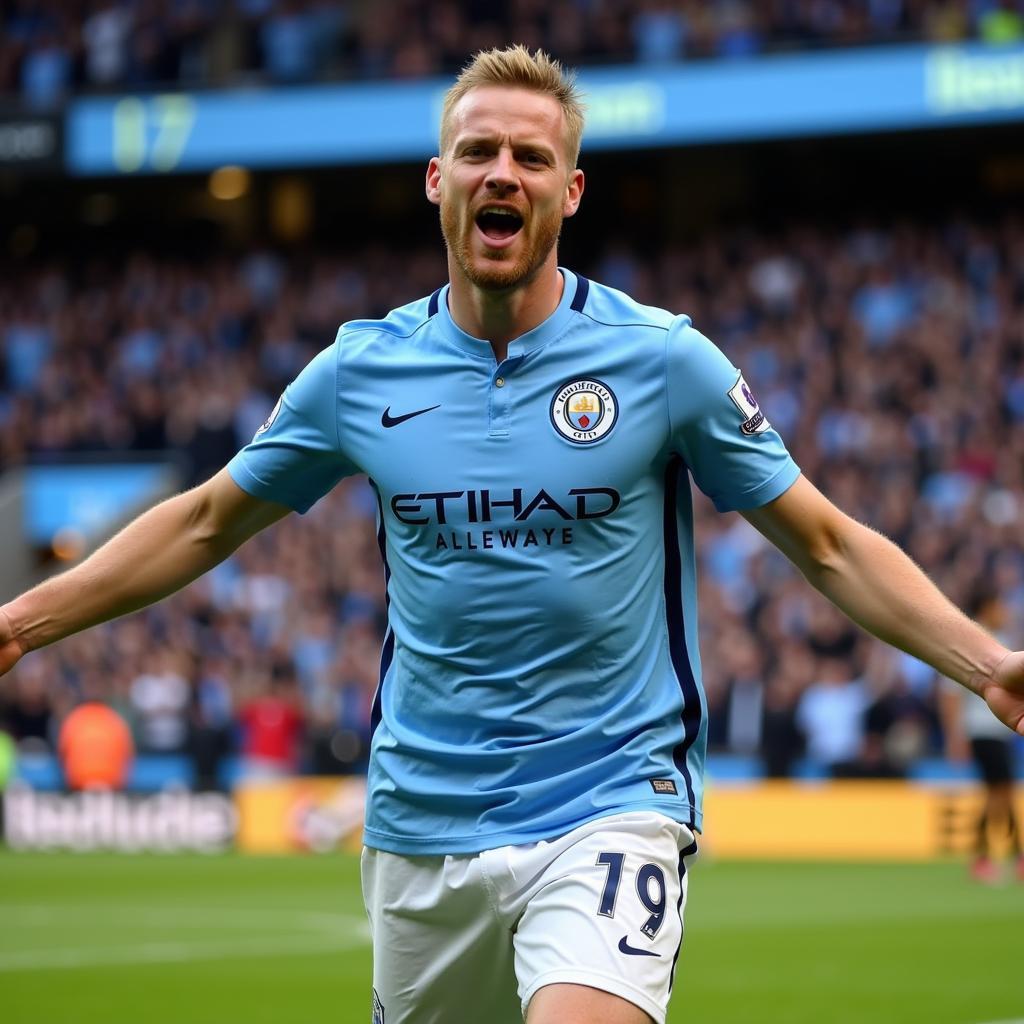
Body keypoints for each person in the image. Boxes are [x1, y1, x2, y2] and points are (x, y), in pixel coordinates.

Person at [0, 45, 1021, 1024]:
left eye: (532, 157)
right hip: (421, 819)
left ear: (569, 191)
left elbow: (827, 542)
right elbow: (207, 519)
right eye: (481, 152)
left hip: (612, 795)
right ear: (437, 180)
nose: (505, 173)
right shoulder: (361, 374)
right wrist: (23, 623)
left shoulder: (662, 362)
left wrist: (984, 665)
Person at [939, 590, 1024, 883]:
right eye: (1000, 605)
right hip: (981, 730)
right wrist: (955, 736)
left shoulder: (1000, 639)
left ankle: (1012, 855)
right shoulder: (972, 643)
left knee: (1002, 793)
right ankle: (983, 857)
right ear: (987, 607)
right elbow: (950, 695)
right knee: (998, 793)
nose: (1005, 611)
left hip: (998, 731)